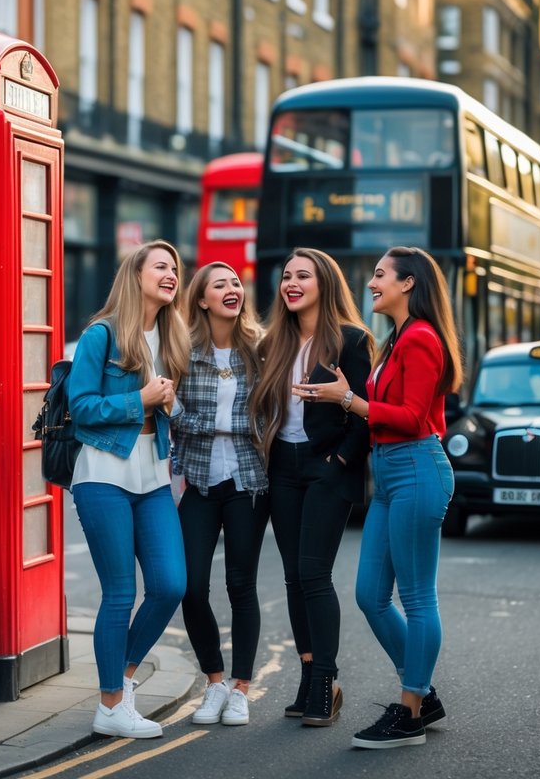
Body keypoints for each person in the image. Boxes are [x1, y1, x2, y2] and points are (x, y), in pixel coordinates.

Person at [298, 246, 460, 749]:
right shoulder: (395, 341)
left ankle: (410, 711)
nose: (371, 282)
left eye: (380, 275)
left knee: (416, 597)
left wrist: (348, 400)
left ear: (408, 283)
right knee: (370, 594)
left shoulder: (422, 339)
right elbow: (388, 407)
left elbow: (414, 417)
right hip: (389, 473)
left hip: (416, 466)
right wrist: (353, 392)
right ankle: (422, 690)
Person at [67, 239, 189, 739]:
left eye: (175, 268)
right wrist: (140, 398)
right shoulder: (102, 334)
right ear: (135, 275)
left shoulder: (172, 336)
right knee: (120, 593)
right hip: (103, 474)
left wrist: (168, 405)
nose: (171, 274)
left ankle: (124, 679)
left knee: (169, 585)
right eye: (160, 265)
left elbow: (171, 410)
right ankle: (110, 704)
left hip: (152, 474)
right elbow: (81, 408)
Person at [251, 248, 372, 728]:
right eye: (286, 276)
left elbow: (365, 412)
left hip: (327, 468)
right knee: (292, 579)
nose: (292, 283)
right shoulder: (274, 343)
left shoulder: (350, 340)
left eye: (303, 275)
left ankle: (326, 680)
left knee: (314, 575)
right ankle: (306, 675)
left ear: (325, 283)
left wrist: (338, 460)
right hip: (283, 466)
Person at [171, 262, 269, 727]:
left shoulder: (262, 350)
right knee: (190, 587)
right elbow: (171, 413)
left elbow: (273, 418)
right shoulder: (184, 352)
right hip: (200, 483)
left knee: (240, 586)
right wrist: (216, 427)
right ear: (203, 300)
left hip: (248, 483)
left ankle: (241, 689)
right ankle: (214, 682)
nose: (232, 289)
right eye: (220, 285)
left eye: (236, 283)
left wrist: (226, 428)